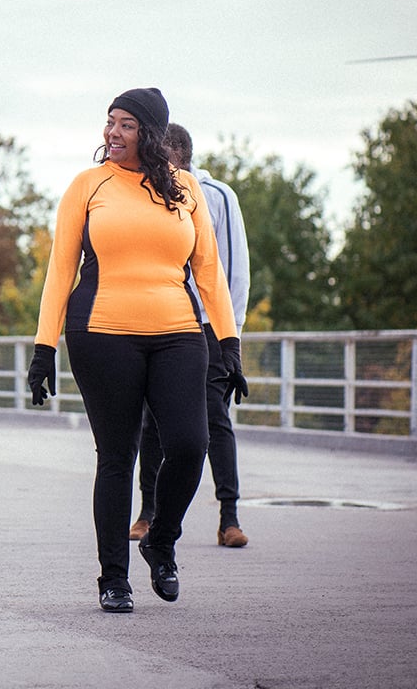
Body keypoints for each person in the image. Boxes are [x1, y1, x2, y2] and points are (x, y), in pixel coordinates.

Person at [27, 88, 247, 614]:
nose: (113, 132)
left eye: (126, 124)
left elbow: (209, 271)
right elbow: (60, 271)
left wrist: (229, 341)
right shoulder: (88, 186)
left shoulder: (185, 188)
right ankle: (114, 579)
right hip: (101, 333)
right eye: (110, 122)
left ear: (149, 133)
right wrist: (44, 347)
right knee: (117, 457)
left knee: (191, 444)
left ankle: (161, 539)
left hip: (179, 332)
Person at [129, 123, 252, 548]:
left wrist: (231, 336)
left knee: (214, 417)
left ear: (178, 155)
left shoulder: (216, 195)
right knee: (151, 420)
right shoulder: (144, 192)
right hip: (161, 323)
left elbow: (232, 269)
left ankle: (228, 517)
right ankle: (147, 512)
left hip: (207, 326)